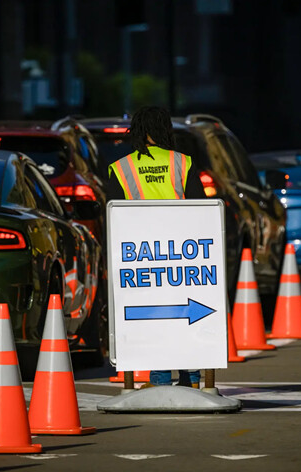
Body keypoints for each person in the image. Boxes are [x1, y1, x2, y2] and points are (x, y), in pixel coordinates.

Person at [107, 105, 205, 388]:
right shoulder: (182, 163)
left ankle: (160, 381)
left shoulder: (122, 168)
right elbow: (201, 208)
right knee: (186, 318)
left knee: (153, 318)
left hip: (141, 257)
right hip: (183, 255)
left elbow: (114, 215)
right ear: (165, 130)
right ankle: (192, 380)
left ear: (139, 131)